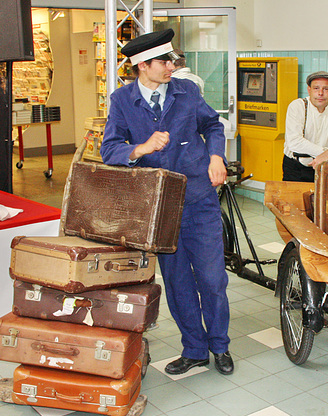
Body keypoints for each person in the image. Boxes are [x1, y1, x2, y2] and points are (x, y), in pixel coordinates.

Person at [100, 29, 233, 375]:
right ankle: (195, 349)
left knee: (213, 279)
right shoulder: (121, 101)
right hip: (159, 209)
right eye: (164, 61)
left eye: (171, 60)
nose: (171, 66)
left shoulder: (186, 91)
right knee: (178, 283)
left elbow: (212, 125)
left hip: (199, 199)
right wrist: (140, 148)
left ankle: (220, 346)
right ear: (142, 66)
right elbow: (109, 149)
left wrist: (216, 157)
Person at [282, 71, 328, 182]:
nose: (320, 93)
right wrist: (326, 154)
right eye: (316, 88)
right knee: (292, 199)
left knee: (322, 199)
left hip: (324, 168)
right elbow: (294, 142)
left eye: (326, 89)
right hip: (295, 168)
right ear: (309, 90)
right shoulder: (297, 106)